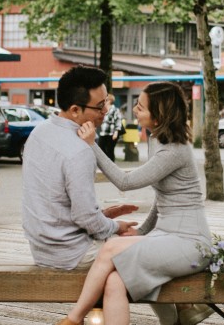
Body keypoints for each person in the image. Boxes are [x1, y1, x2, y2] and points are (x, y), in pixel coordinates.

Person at [33, 82, 213, 325]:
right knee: (114, 280)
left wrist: (92, 145)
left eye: (141, 107)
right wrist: (141, 231)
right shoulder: (158, 139)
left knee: (109, 249)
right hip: (166, 237)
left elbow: (126, 182)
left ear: (159, 114)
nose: (135, 111)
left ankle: (73, 321)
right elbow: (164, 197)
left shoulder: (175, 150)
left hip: (191, 244)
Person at [21, 66, 138, 271]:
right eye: (100, 106)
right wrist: (116, 226)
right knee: (147, 252)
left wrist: (104, 215)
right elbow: (86, 219)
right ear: (75, 110)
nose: (106, 111)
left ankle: (100, 304)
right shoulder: (80, 148)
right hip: (75, 254)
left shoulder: (38, 133)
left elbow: (57, 202)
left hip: (41, 251)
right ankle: (185, 303)